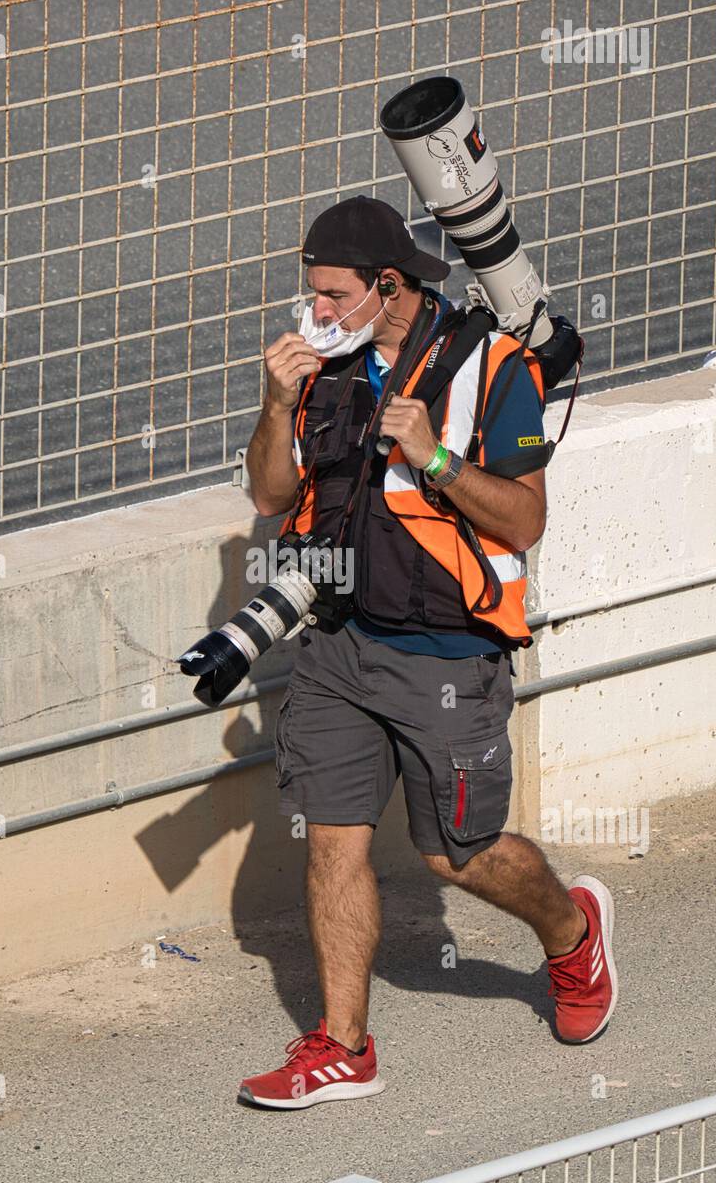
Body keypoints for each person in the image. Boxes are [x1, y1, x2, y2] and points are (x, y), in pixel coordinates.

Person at [239, 195, 616, 1110]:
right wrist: (276, 400)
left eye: (332, 295)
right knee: (332, 843)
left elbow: (524, 519)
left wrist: (435, 460)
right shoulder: (319, 370)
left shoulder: (492, 366)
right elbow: (267, 492)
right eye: (312, 294)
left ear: (388, 287)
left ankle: (572, 936)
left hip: (449, 657)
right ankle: (342, 1047)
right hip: (337, 643)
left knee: (458, 854)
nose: (315, 312)